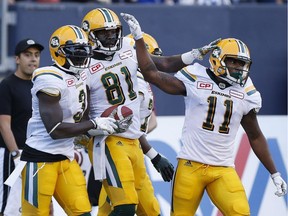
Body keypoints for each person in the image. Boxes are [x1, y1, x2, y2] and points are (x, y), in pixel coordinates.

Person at [121, 13, 287, 216]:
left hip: (223, 169)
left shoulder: (247, 93)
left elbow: (255, 135)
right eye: (234, 62)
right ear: (217, 60)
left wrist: (274, 172)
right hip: (190, 165)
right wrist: (138, 39)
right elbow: (153, 74)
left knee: (240, 212)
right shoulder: (196, 77)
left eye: (243, 64)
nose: (239, 69)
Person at [80, 7, 196, 215]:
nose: (110, 37)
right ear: (90, 35)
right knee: (125, 207)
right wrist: (94, 126)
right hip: (108, 142)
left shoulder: (127, 51)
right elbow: (83, 116)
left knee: (150, 211)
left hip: (133, 144)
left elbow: (164, 64)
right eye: (103, 33)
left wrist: (152, 155)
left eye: (113, 31)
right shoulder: (86, 66)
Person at [15, 25, 121, 216]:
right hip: (40, 160)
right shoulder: (49, 77)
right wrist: (93, 124)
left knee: (82, 212)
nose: (81, 58)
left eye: (84, 52)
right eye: (76, 53)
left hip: (66, 157)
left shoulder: (82, 73)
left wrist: (89, 129)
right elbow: (55, 129)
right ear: (59, 52)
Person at [0, 38, 44, 216]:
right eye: (27, 55)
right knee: (7, 203)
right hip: (11, 155)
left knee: (31, 205)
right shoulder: (7, 85)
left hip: (35, 154)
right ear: (17, 59)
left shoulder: (40, 84)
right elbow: (3, 125)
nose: (33, 59)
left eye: (36, 55)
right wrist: (15, 154)